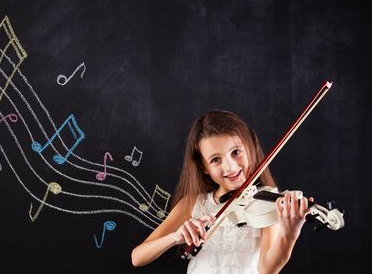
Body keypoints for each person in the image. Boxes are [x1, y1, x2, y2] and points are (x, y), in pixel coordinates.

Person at [131, 109, 311, 274]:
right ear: (204, 167)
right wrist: (175, 237)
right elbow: (137, 257)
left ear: (249, 148)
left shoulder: (267, 201)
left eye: (236, 152)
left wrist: (289, 235)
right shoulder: (193, 203)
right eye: (216, 160)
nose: (230, 167)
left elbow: (267, 270)